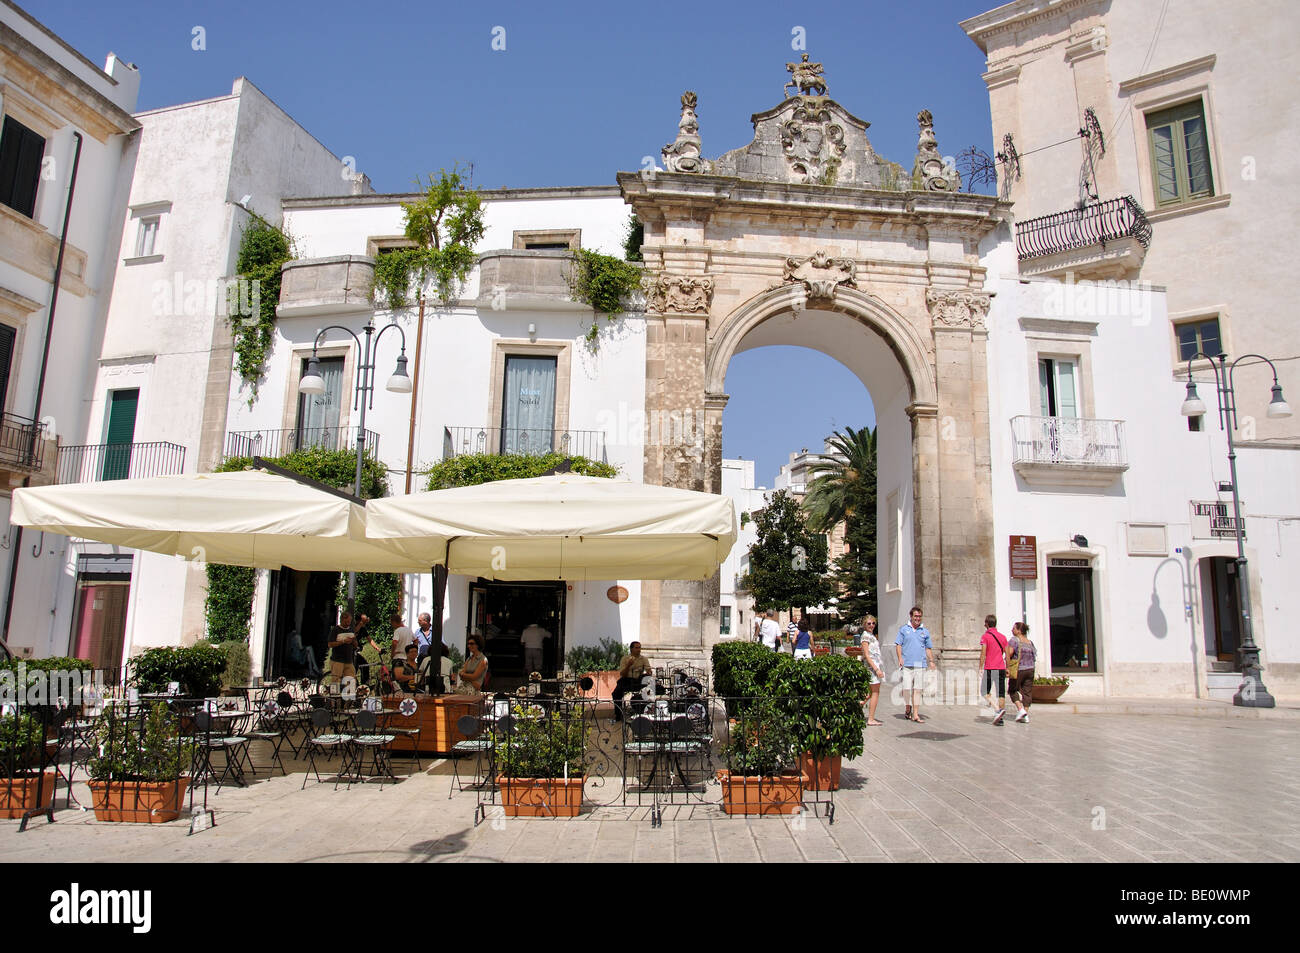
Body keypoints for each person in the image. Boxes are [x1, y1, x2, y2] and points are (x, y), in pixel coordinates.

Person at [894, 606, 934, 723]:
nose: (918, 618)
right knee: (906, 689)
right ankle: (908, 707)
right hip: (907, 663)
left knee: (917, 690)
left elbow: (928, 648)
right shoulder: (903, 630)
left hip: (920, 664)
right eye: (916, 616)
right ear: (911, 616)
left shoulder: (924, 631)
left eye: (919, 616)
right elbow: (898, 644)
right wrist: (900, 658)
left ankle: (915, 714)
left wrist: (931, 661)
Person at [611, 641, 653, 721]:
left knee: (650, 684)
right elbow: (623, 674)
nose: (639, 650)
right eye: (636, 648)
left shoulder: (644, 659)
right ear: (631, 649)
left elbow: (649, 670)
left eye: (639, 647)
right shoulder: (625, 659)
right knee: (616, 693)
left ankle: (647, 710)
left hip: (638, 680)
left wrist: (649, 672)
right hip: (627, 679)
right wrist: (628, 665)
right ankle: (618, 715)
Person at [979, 614, 1009, 725]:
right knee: (1001, 693)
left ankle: (997, 710)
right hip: (1001, 667)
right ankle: (1000, 719)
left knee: (984, 691)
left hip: (990, 667)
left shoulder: (985, 636)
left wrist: (980, 667)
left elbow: (983, 653)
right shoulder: (1003, 637)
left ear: (987, 623)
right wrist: (1008, 667)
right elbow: (1007, 654)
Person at [327, 610, 369, 683]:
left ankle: (349, 693)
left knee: (351, 680)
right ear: (342, 620)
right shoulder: (335, 629)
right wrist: (343, 641)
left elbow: (355, 644)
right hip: (337, 660)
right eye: (346, 622)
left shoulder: (351, 630)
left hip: (348, 660)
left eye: (349, 621)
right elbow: (330, 644)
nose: (348, 623)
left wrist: (353, 641)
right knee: (336, 681)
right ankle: (335, 694)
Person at [1007, 622, 1036, 723]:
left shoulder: (1014, 640)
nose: (1012, 630)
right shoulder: (1029, 642)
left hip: (1019, 669)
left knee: (1012, 690)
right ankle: (1025, 714)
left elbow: (1009, 653)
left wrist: (1007, 666)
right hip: (1031, 669)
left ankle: (1021, 709)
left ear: (1019, 631)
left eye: (1014, 628)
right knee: (1027, 692)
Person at [860, 615, 884, 726]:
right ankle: (871, 718)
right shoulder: (866, 636)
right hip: (871, 667)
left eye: (873, 623)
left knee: (869, 693)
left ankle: (855, 706)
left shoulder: (871, 635)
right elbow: (867, 655)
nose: (871, 625)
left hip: (875, 665)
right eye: (869, 623)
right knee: (875, 692)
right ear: (864, 624)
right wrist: (876, 669)